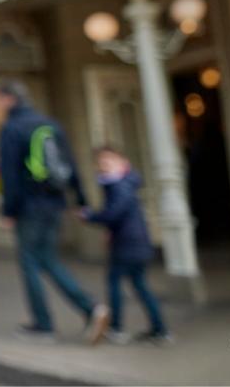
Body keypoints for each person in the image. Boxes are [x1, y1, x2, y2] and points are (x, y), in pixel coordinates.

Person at [0, 80, 109, 343]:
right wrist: (80, 199)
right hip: (55, 204)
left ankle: (46, 323)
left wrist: (8, 211)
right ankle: (90, 309)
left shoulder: (11, 128)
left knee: (30, 264)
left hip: (28, 207)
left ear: (8, 99)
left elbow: (9, 174)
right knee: (47, 258)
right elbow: (70, 163)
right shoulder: (49, 124)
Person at [82, 146, 170, 345]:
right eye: (101, 162)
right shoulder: (123, 184)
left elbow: (114, 213)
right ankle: (159, 330)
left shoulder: (119, 185)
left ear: (123, 163)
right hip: (134, 243)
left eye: (109, 161)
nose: (104, 166)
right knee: (140, 285)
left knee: (115, 282)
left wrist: (90, 216)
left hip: (128, 245)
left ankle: (117, 328)